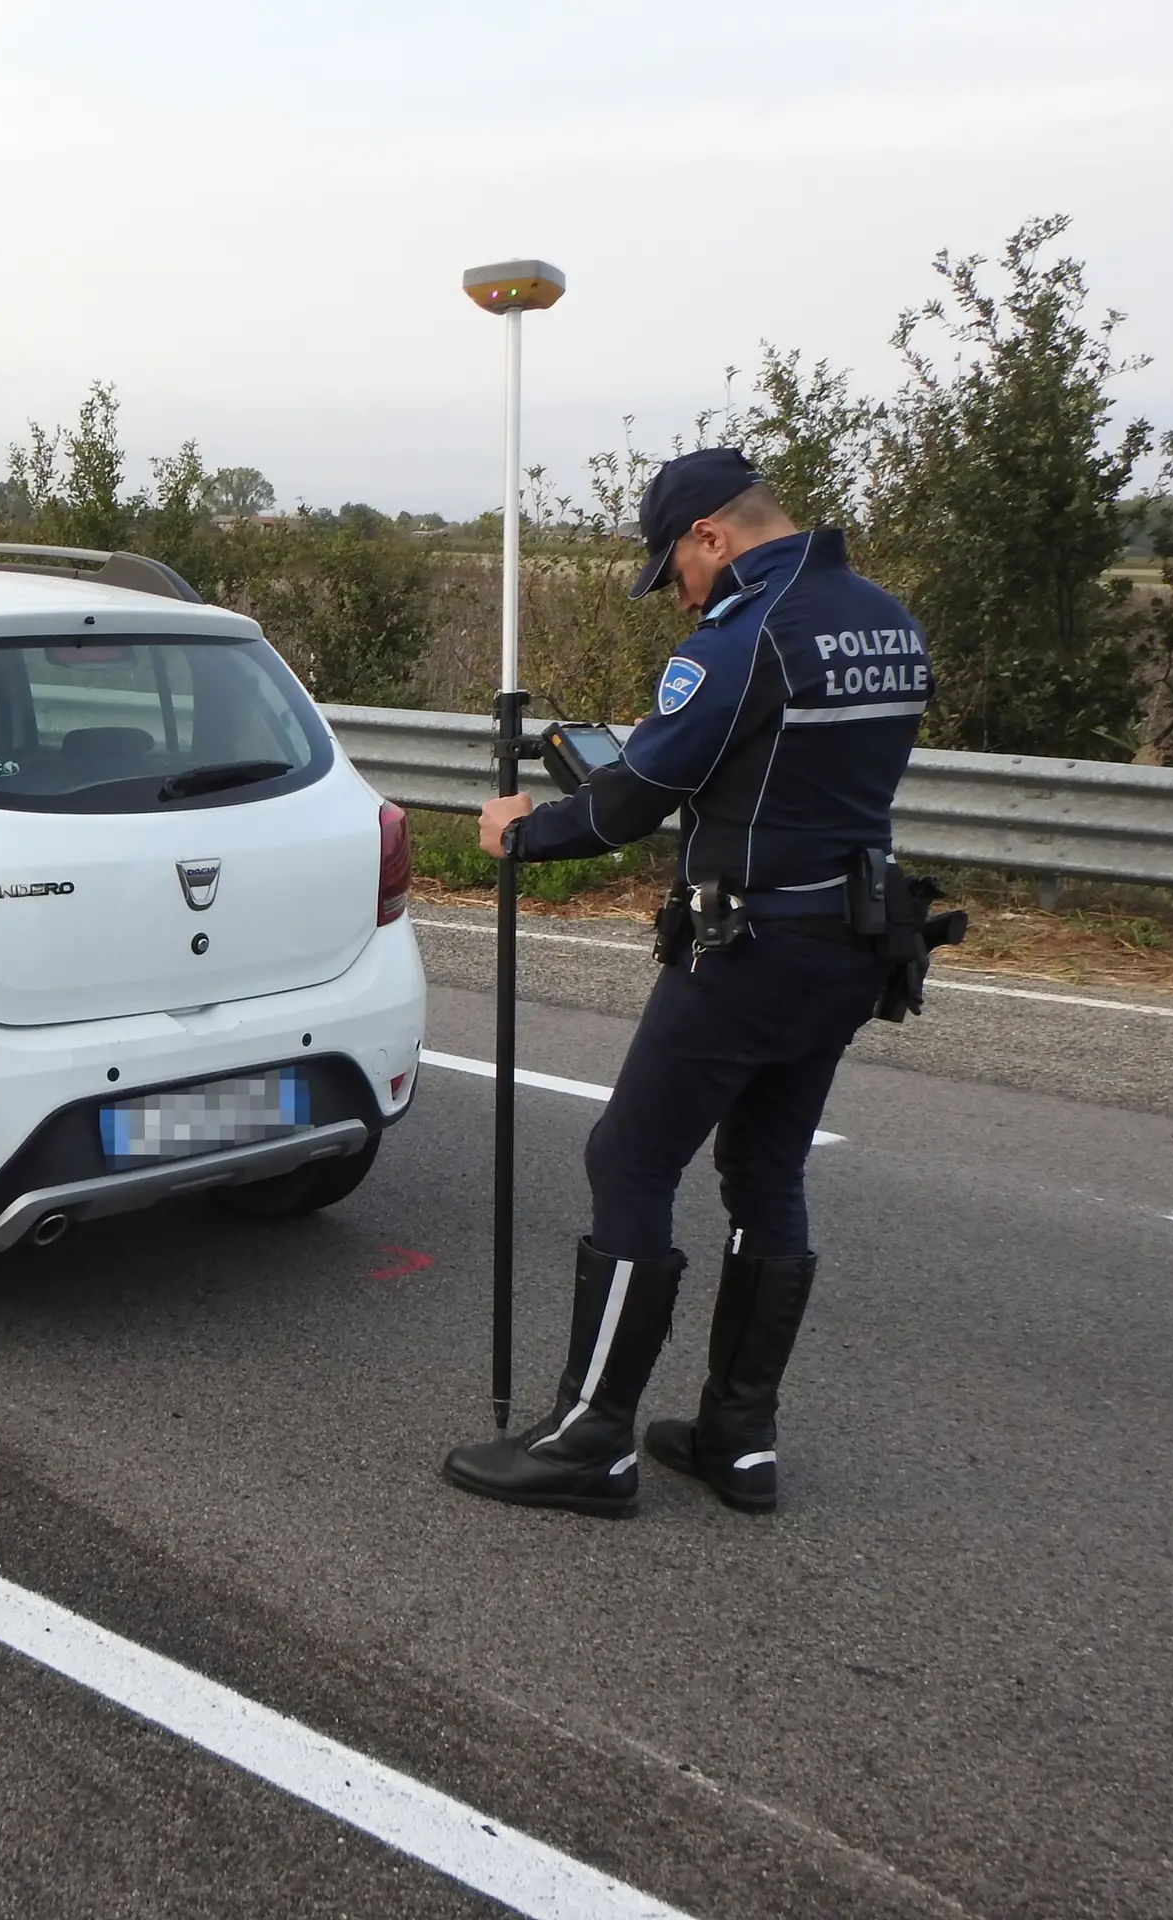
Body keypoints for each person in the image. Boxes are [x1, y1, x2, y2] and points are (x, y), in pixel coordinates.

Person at [442, 447, 935, 1518]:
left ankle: (590, 1443)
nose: (677, 592)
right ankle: (737, 1439)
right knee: (766, 1172)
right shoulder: (887, 618)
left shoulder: (742, 634)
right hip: (858, 938)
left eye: (673, 570)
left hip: (749, 948)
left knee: (628, 1156)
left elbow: (638, 797)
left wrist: (526, 832)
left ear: (710, 534)